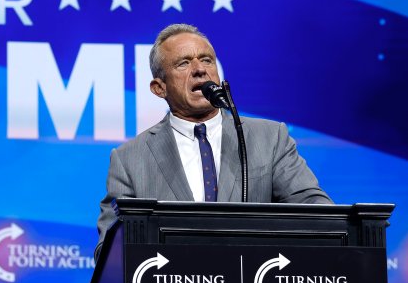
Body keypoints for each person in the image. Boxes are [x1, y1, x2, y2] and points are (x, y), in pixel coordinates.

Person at [95, 24, 332, 258]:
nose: (200, 70)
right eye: (184, 63)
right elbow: (109, 252)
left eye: (207, 60)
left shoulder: (270, 139)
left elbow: (316, 210)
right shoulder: (130, 159)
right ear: (159, 88)